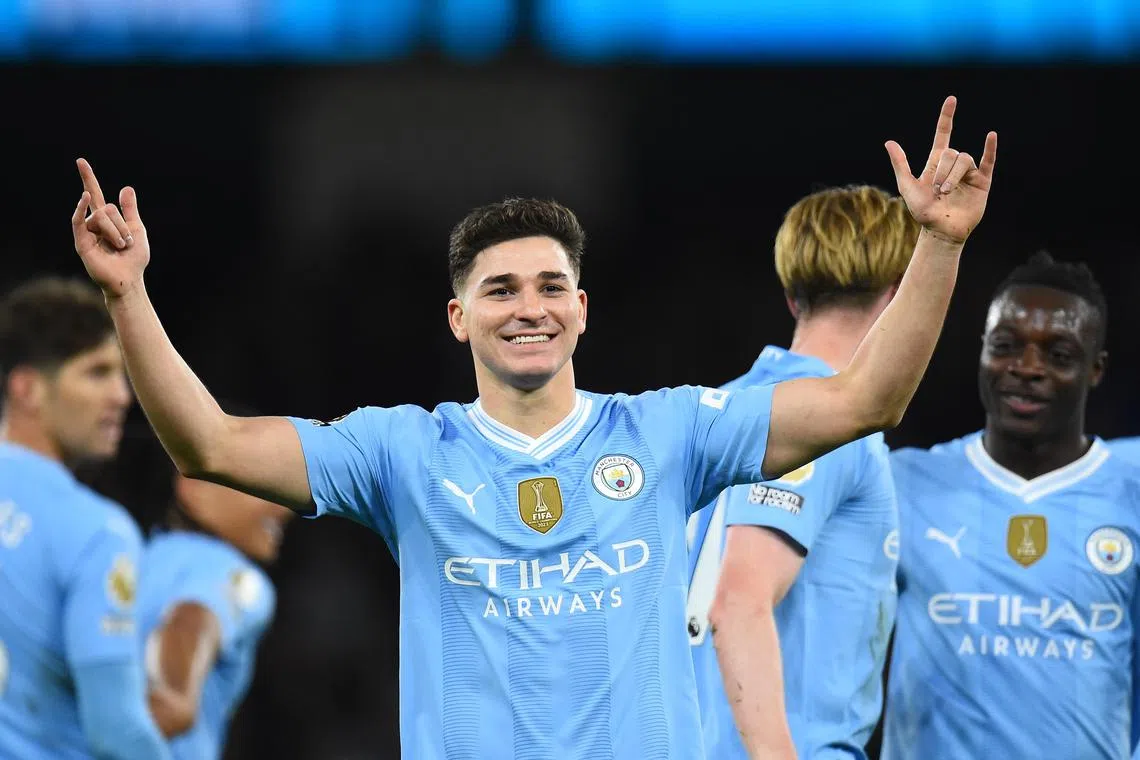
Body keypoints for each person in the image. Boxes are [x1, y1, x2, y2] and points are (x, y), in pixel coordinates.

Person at [69, 95, 996, 758]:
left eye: (552, 286)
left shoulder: (669, 432)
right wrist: (129, 297)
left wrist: (942, 245)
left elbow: (864, 401)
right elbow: (210, 446)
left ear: (583, 310)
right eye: (499, 289)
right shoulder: (400, 453)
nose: (530, 308)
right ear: (458, 318)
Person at [882, 252, 1140, 759]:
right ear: (981, 352)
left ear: (1096, 369)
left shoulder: (1132, 485)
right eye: (1005, 347)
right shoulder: (905, 482)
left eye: (1059, 355)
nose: (1027, 369)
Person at [686, 185, 913, 759]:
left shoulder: (723, 410)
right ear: (903, 298)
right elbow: (738, 599)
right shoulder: (826, 424)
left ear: (791, 296)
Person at [0, 277, 171, 759]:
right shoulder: (97, 531)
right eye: (96, 373)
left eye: (120, 374)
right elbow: (116, 730)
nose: (122, 396)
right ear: (28, 389)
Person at [124, 403, 293, 759]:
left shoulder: (130, 563)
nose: (283, 506)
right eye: (259, 482)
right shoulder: (236, 575)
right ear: (193, 484)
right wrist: (174, 698)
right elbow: (193, 617)